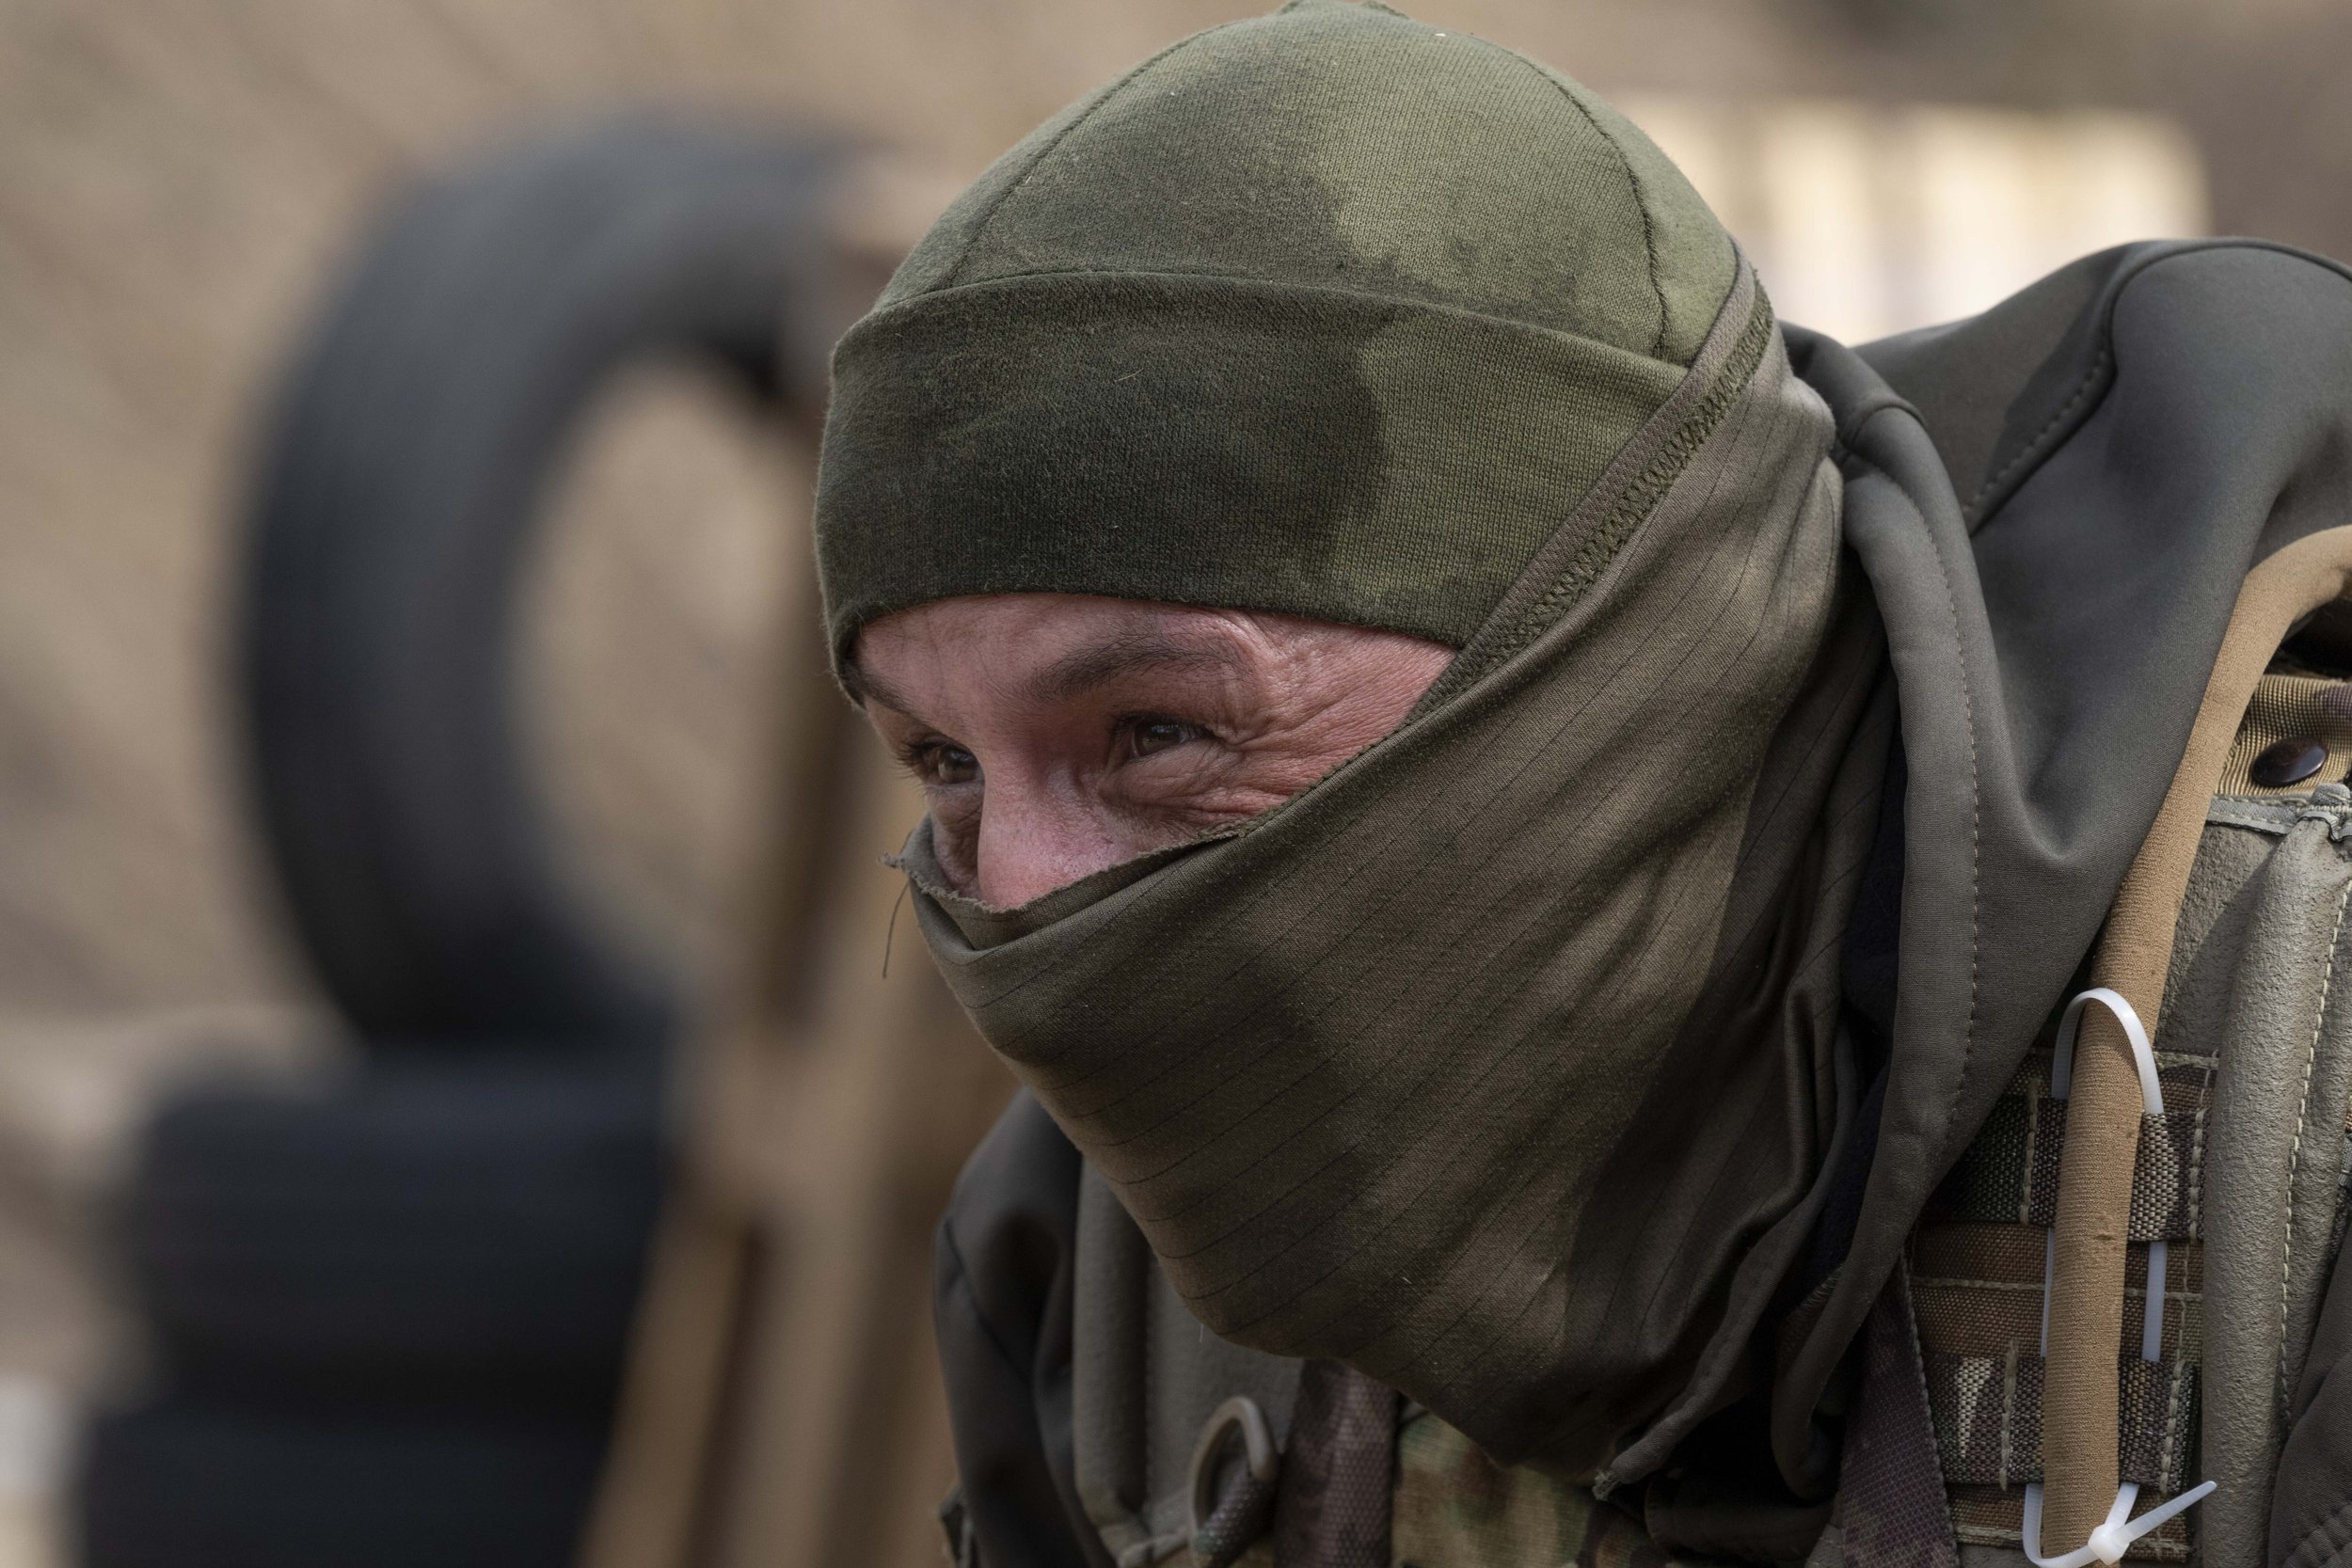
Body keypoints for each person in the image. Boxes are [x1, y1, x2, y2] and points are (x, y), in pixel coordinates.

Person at [810, 4, 2352, 1564]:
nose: (1025, 907)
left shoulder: (2307, 1127)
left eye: (1156, 732)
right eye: (942, 763)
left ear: (1628, 666)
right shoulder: (1100, 1270)